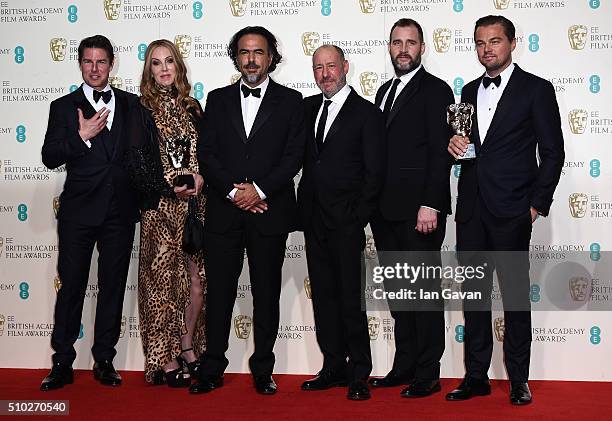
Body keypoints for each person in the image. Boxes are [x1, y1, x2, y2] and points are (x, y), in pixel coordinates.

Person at [446, 15, 564, 405]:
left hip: (513, 210)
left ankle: (518, 379)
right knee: (475, 298)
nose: (487, 50)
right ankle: (476, 376)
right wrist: (455, 149)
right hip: (472, 210)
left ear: (513, 43)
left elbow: (552, 153)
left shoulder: (537, 90)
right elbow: (470, 147)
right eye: (480, 43)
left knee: (514, 298)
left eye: (495, 41)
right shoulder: (466, 94)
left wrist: (536, 205)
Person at [189, 26, 305, 395]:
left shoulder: (292, 101)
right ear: (235, 57)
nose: (251, 59)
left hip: (269, 211)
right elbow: (207, 155)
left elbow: (293, 157)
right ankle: (212, 367)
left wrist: (257, 190)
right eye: (244, 52)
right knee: (219, 292)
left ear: (271, 57)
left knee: (267, 293)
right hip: (224, 214)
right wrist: (232, 193)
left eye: (258, 52)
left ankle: (263, 368)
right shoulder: (218, 99)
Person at [40, 35, 139, 391]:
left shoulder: (132, 104)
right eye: (88, 62)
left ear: (112, 63)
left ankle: (105, 359)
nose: (94, 69)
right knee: (72, 288)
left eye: (101, 62)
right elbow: (50, 156)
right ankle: (62, 362)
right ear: (80, 64)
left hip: (119, 213)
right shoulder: (63, 106)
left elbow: (142, 157)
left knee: (112, 288)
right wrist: (80, 137)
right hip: (79, 213)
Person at [369, 18, 454, 398]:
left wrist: (431, 204)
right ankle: (404, 365)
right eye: (397, 42)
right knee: (399, 292)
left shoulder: (436, 91)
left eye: (411, 43)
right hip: (385, 211)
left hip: (421, 211)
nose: (403, 49)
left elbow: (441, 153)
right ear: (389, 47)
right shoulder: (383, 91)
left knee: (423, 294)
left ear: (422, 48)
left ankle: (427, 371)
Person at [298, 45, 385, 401]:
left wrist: (356, 216)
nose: (325, 74)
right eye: (318, 68)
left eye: (331, 66)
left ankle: (359, 372)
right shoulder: (306, 109)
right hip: (313, 219)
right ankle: (333, 365)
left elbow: (374, 172)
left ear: (346, 67)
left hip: (346, 222)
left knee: (351, 300)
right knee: (324, 299)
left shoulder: (367, 113)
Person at [128, 39, 206, 387]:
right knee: (160, 286)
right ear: (149, 69)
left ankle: (188, 345)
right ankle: (166, 356)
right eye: (156, 63)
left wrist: (201, 178)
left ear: (178, 66)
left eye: (169, 61)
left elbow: (207, 153)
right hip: (160, 208)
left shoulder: (194, 108)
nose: (163, 68)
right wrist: (166, 188)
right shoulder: (140, 109)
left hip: (194, 208)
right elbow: (137, 163)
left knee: (196, 282)